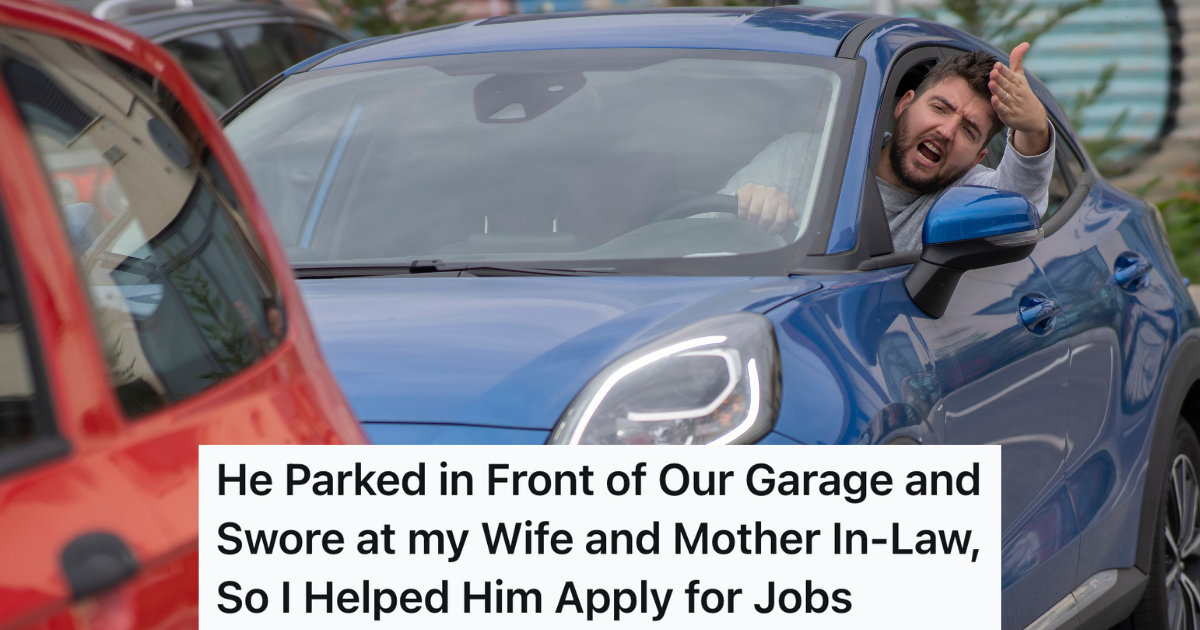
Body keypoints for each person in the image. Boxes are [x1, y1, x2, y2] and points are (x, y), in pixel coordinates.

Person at [722, 44, 1054, 253]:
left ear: (978, 159)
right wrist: (747, 213)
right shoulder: (804, 156)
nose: (948, 130)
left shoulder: (964, 193)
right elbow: (698, 229)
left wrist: (1034, 127)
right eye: (940, 108)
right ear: (904, 105)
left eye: (969, 130)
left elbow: (1020, 203)